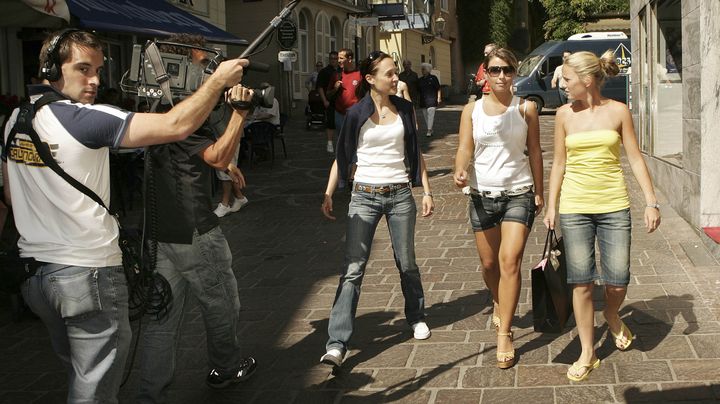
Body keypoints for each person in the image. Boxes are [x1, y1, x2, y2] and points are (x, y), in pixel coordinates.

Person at [1, 29, 246, 404]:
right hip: (87, 274)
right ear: (51, 68)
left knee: (84, 374)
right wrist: (220, 87)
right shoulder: (83, 118)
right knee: (94, 391)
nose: (95, 80)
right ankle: (223, 368)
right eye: (84, 69)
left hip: (37, 277)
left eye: (98, 69)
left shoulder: (14, 119)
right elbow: (176, 126)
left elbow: (9, 194)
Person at [136, 33, 257, 403]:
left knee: (162, 318)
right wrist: (240, 114)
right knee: (221, 302)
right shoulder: (181, 118)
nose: (209, 76)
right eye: (204, 66)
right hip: (194, 231)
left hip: (160, 231)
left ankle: (151, 393)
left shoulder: (153, 112)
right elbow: (216, 157)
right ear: (183, 68)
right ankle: (226, 368)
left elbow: (193, 154)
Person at [543, 50, 661, 382]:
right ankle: (587, 351)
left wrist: (651, 201)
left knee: (618, 277)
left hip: (613, 205)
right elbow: (559, 164)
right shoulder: (564, 115)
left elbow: (635, 159)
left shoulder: (619, 112)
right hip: (575, 207)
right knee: (580, 282)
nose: (562, 85)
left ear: (587, 80)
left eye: (566, 79)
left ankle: (610, 314)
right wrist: (552, 206)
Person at [319, 51, 434, 368]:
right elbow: (342, 157)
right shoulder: (356, 115)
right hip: (364, 196)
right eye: (389, 74)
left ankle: (416, 316)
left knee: (407, 261)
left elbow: (415, 152)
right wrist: (330, 192)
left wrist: (426, 189)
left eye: (395, 72)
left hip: (399, 195)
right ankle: (337, 343)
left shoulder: (406, 109)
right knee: (353, 269)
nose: (395, 78)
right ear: (370, 79)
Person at [452, 48, 544, 370]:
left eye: (507, 70)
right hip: (481, 195)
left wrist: (540, 192)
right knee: (490, 264)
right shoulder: (471, 110)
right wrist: (459, 169)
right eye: (495, 70)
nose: (501, 76)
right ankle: (497, 298)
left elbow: (535, 151)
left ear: (515, 72)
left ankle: (504, 332)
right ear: (486, 75)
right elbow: (465, 147)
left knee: (510, 261)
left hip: (519, 193)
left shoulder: (526, 108)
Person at [331, 48, 362, 134]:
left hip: (355, 114)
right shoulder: (337, 75)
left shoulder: (360, 75)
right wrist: (335, 88)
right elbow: (328, 95)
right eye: (338, 58)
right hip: (339, 114)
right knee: (341, 141)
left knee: (354, 140)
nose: (338, 61)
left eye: (341, 58)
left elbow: (366, 94)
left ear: (349, 59)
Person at [316, 51, 340, 153]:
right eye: (332, 58)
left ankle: (340, 142)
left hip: (341, 101)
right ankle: (329, 142)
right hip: (330, 100)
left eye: (335, 58)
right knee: (330, 122)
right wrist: (324, 100)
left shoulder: (342, 70)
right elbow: (320, 87)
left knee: (341, 122)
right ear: (329, 59)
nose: (333, 60)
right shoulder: (324, 71)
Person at [418, 63, 441, 137]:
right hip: (423, 100)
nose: (422, 71)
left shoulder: (433, 78)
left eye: (423, 69)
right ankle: (431, 128)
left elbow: (438, 88)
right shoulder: (420, 80)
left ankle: (429, 130)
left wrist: (439, 97)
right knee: (426, 116)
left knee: (431, 115)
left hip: (432, 99)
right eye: (422, 69)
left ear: (427, 70)